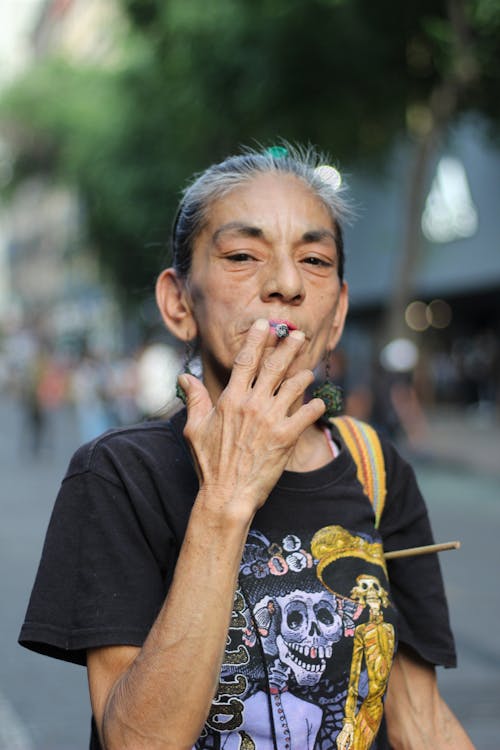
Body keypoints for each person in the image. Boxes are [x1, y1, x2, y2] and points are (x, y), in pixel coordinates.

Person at [19, 145, 474, 750]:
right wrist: (225, 500)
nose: (285, 284)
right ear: (179, 302)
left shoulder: (374, 465)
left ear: (337, 313)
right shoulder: (119, 475)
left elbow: (420, 719)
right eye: (241, 255)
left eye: (314, 260)